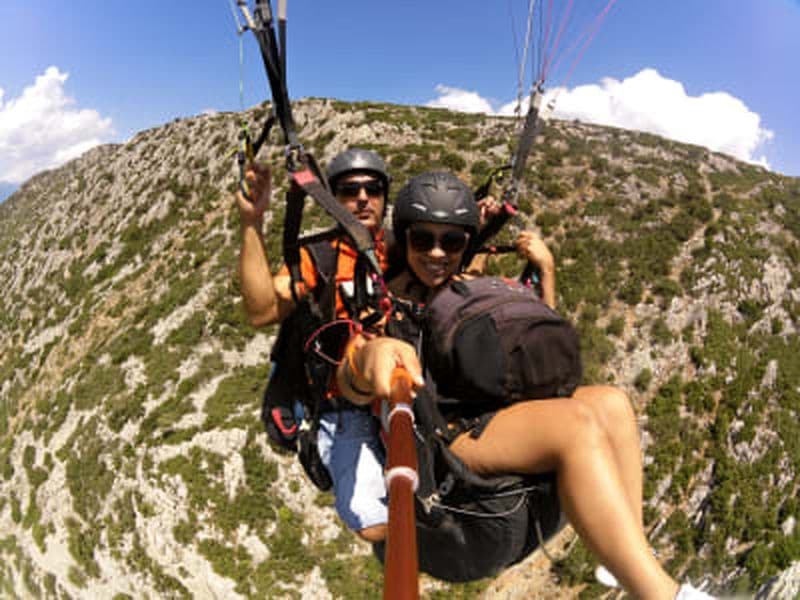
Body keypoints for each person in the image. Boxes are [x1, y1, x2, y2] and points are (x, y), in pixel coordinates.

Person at [335, 171, 715, 600]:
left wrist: (546, 270)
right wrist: (368, 359)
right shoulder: (386, 304)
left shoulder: (466, 288)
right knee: (575, 425)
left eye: (453, 241)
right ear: (404, 239)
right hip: (452, 441)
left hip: (491, 412)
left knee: (612, 403)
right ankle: (663, 595)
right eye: (423, 240)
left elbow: (524, 346)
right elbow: (351, 378)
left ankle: (629, 557)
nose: (438, 252)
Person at [236, 147, 392, 543]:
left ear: (385, 197)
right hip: (344, 409)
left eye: (372, 189)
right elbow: (262, 311)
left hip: (397, 394)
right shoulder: (319, 256)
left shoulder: (405, 249)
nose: (361, 198)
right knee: (374, 527)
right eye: (348, 190)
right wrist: (252, 222)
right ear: (332, 200)